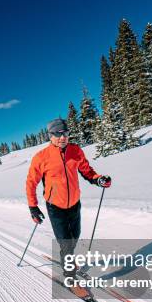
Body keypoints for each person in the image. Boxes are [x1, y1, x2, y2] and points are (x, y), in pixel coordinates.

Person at [25, 118, 111, 277]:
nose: (63, 137)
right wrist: (33, 206)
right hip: (55, 207)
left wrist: (98, 179)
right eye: (58, 134)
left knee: (75, 236)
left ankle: (69, 255)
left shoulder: (76, 150)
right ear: (50, 136)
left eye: (65, 133)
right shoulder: (41, 157)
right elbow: (31, 182)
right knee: (65, 242)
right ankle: (69, 275)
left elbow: (86, 171)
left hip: (74, 204)